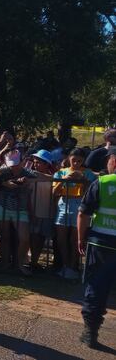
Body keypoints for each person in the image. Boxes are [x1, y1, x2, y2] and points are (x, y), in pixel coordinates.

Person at [76, 146, 116, 349]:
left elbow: (83, 213)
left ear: (114, 162)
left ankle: (90, 332)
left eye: (108, 160)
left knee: (96, 287)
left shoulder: (102, 183)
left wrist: (80, 238)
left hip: (101, 244)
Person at [53, 148, 96, 280]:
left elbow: (91, 192)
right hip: (63, 204)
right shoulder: (61, 173)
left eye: (79, 161)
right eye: (74, 160)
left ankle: (72, 267)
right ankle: (65, 265)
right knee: (61, 238)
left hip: (79, 205)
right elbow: (54, 192)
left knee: (75, 239)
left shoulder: (88, 174)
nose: (76, 163)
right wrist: (65, 179)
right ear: (68, 159)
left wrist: (83, 180)